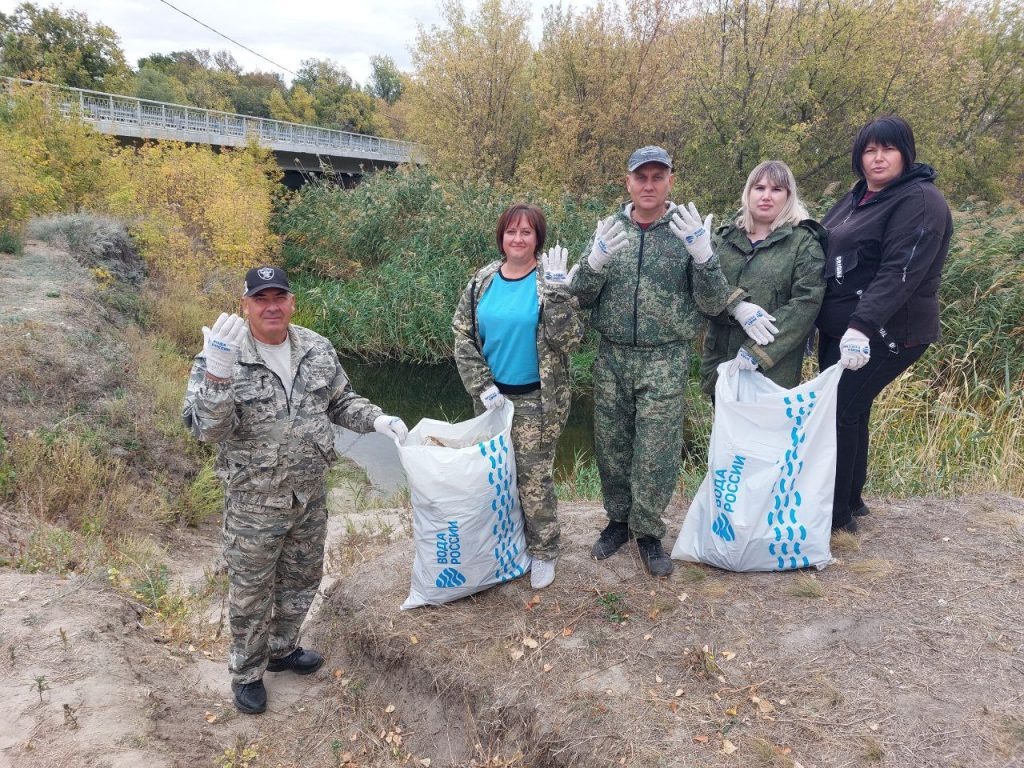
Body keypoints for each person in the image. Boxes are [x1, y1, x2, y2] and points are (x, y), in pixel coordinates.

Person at [182, 266, 409, 715]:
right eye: (261, 298)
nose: (271, 306)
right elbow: (205, 430)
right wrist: (219, 377)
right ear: (244, 304)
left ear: (292, 301)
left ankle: (283, 649)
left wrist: (378, 420)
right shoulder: (221, 354)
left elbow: (342, 401)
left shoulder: (315, 347)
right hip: (254, 500)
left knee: (301, 578)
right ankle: (247, 672)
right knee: (251, 590)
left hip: (309, 493)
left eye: (279, 297)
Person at [568, 145, 774, 577]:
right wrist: (593, 262)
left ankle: (648, 533)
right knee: (612, 446)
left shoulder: (686, 230)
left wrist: (704, 256)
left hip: (666, 358)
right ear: (627, 181)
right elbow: (581, 298)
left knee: (657, 452)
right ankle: (617, 522)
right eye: (640, 177)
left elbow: (714, 301)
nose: (648, 185)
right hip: (613, 357)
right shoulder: (609, 228)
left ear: (669, 182)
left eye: (657, 177)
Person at [816, 116, 952, 533]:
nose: (877, 158)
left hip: (886, 332)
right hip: (843, 331)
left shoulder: (919, 201)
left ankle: (835, 518)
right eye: (869, 150)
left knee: (839, 411)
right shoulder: (860, 196)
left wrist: (860, 326)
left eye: (887, 149)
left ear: (905, 153)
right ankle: (851, 502)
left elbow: (900, 271)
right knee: (851, 411)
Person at [453, 203, 584, 590]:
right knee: (494, 476)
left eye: (526, 232)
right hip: (491, 399)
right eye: (511, 232)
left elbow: (570, 341)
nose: (518, 239)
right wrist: (482, 385)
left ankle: (544, 550)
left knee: (533, 477)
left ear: (537, 239)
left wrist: (560, 295)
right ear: (501, 237)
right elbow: (461, 332)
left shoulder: (551, 281)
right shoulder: (484, 280)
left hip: (537, 401)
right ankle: (506, 544)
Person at [699, 160, 826, 395]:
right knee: (725, 432)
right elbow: (703, 293)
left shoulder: (803, 242)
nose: (766, 196)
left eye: (776, 189)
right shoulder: (723, 240)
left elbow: (806, 304)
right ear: (748, 193)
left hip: (772, 372)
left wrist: (757, 352)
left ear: (788, 196)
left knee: (766, 432)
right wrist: (736, 304)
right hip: (722, 364)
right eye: (759, 188)